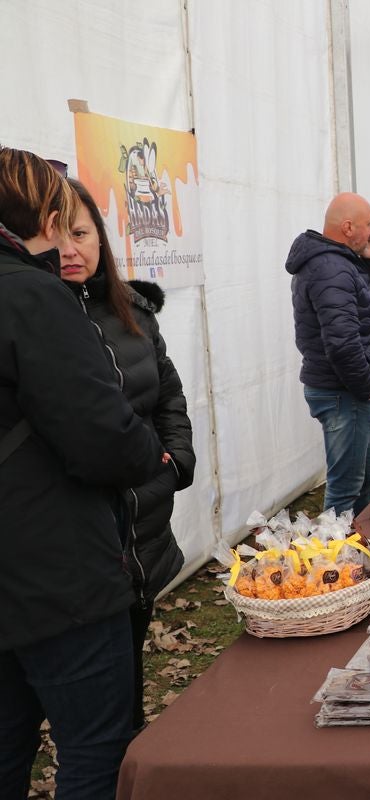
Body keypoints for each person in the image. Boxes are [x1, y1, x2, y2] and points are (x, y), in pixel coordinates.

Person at [0, 147, 163, 799]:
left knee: (8, 745)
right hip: (56, 572)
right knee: (97, 745)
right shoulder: (32, 295)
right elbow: (103, 437)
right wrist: (147, 452)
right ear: (43, 212)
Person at [62, 178, 195, 734]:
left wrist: (177, 460)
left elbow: (167, 393)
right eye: (56, 236)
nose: (70, 249)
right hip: (85, 539)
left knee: (129, 675)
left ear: (101, 238)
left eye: (81, 232)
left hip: (145, 522)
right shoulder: (41, 319)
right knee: (96, 707)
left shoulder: (133, 311)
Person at [286, 192, 370, 516]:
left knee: (364, 476)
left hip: (345, 390)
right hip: (345, 392)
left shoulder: (337, 263)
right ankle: (338, 560)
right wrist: (367, 389)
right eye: (368, 224)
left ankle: (359, 547)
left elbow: (365, 301)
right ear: (347, 227)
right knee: (345, 486)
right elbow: (342, 344)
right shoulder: (330, 267)